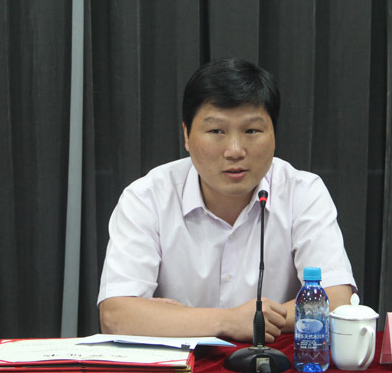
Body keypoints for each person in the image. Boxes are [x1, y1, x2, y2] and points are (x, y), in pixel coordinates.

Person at [98, 57, 356, 343]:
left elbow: (336, 302)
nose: (235, 150)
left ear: (274, 134)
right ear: (187, 135)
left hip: (272, 365)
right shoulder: (146, 198)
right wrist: (228, 321)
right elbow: (116, 316)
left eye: (252, 131)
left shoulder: (303, 192)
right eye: (216, 131)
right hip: (181, 369)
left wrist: (182, 319)